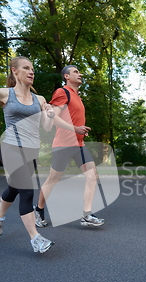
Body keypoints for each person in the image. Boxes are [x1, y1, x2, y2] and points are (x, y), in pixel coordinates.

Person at [0, 56, 55, 254]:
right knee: (27, 191)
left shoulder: (40, 100)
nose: (31, 72)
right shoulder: (3, 94)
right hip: (10, 147)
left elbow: (46, 127)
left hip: (31, 150)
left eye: (32, 69)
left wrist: (50, 114)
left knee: (14, 189)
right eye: (26, 68)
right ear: (15, 71)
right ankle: (35, 238)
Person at [33, 65, 105, 227]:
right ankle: (38, 209)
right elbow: (53, 118)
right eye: (75, 72)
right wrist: (75, 128)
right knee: (53, 179)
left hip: (79, 144)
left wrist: (79, 132)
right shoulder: (62, 92)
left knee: (92, 175)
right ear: (66, 76)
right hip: (63, 145)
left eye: (79, 71)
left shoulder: (77, 96)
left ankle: (87, 215)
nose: (80, 74)